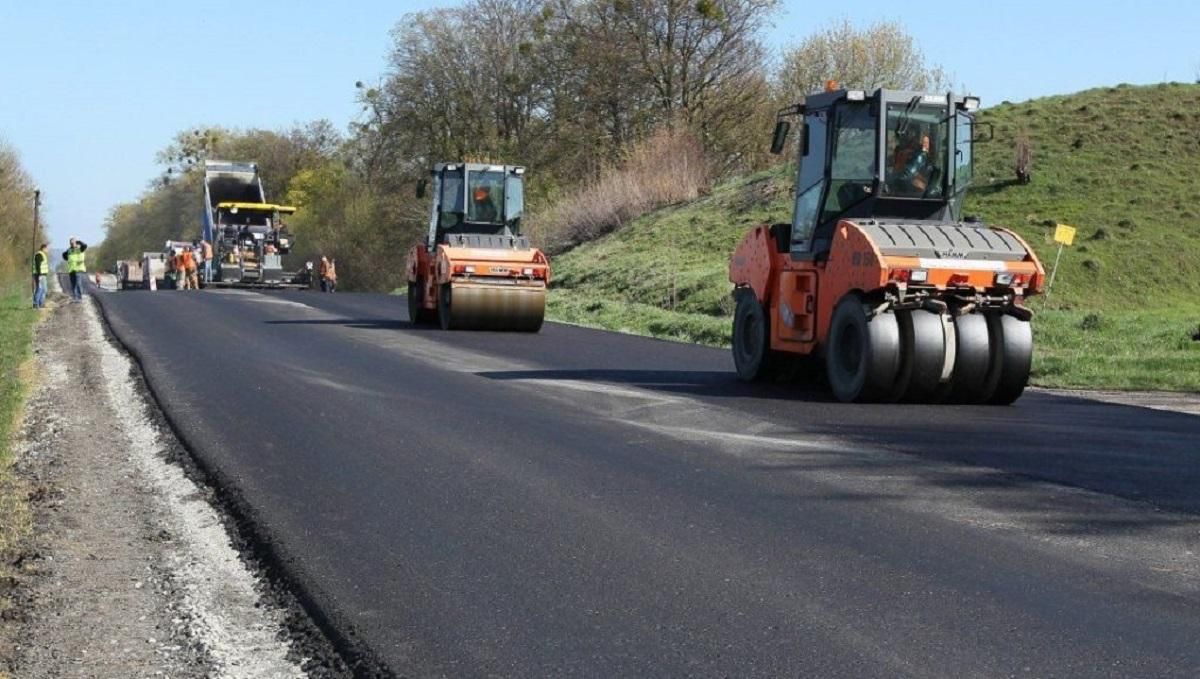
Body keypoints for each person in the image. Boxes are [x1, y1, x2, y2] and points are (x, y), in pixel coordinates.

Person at [890, 129, 936, 195]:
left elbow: (909, 173)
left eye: (927, 143)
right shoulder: (917, 155)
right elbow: (907, 173)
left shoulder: (922, 157)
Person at [62, 237, 88, 301]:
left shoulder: (80, 249)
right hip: (71, 269)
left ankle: (79, 297)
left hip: (78, 269)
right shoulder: (69, 250)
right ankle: (75, 297)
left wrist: (79, 242)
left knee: (78, 283)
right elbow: (65, 256)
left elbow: (85, 245)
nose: (72, 244)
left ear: (75, 243)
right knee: (73, 284)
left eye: (73, 243)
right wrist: (64, 255)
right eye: (71, 243)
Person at [32, 242, 49, 309]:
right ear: (44, 248)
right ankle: (36, 304)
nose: (48, 250)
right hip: (40, 275)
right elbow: (38, 265)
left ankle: (41, 304)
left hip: (42, 275)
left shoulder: (42, 254)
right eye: (47, 248)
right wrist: (39, 275)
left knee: (43, 289)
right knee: (40, 289)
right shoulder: (39, 255)